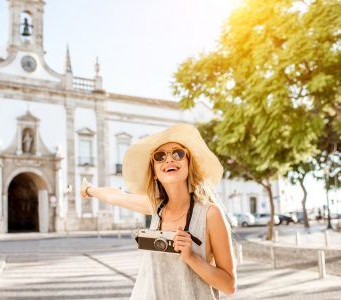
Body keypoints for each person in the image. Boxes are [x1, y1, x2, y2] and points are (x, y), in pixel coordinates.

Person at [81, 124, 236, 299]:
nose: (169, 159)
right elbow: (117, 196)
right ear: (154, 172)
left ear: (188, 163)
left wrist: (192, 257)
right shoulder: (156, 208)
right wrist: (90, 189)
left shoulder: (210, 214)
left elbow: (229, 285)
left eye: (178, 153)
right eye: (160, 156)